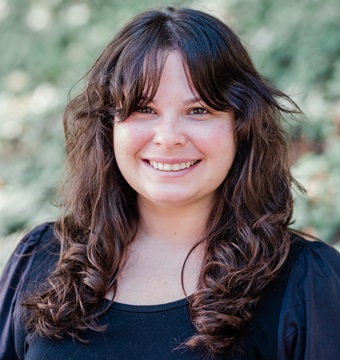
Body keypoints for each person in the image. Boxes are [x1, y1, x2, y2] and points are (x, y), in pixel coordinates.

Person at [0, 7, 339, 360]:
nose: (169, 137)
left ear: (241, 126)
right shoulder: (40, 260)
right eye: (144, 109)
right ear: (109, 127)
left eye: (199, 110)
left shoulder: (307, 284)